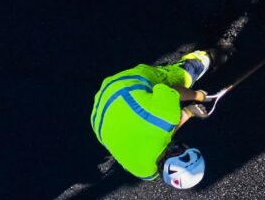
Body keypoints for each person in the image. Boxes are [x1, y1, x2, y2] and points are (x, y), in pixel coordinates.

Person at [89, 51, 213, 189]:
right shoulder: (147, 174)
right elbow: (162, 138)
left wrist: (198, 95)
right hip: (97, 119)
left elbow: (171, 90)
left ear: (180, 148)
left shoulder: (166, 117)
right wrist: (188, 112)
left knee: (178, 78)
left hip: (120, 87)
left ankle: (202, 59)